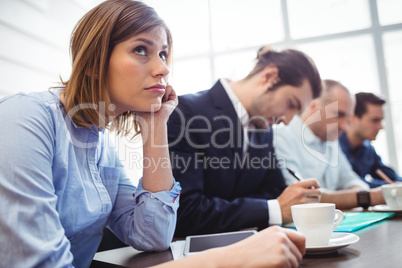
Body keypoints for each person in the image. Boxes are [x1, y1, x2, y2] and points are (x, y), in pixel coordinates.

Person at [0, 1, 308, 267]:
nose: (162, 68)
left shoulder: (101, 147)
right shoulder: (25, 119)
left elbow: (153, 235)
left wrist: (155, 125)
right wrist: (225, 260)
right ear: (95, 60)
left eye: (162, 54)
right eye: (140, 50)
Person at [167, 46, 322, 237]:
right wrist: (272, 209)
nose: (287, 120)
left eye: (296, 112)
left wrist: (247, 207)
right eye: (291, 104)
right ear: (270, 76)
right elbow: (186, 211)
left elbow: (275, 192)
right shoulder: (186, 113)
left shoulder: (263, 127)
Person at [274, 79, 386, 210]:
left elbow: (350, 180)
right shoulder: (282, 138)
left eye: (348, 118)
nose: (344, 126)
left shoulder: (330, 139)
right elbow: (303, 197)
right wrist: (369, 197)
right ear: (313, 107)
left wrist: (361, 194)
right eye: (339, 115)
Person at [339, 92, 402, 188]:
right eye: (375, 120)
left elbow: (390, 175)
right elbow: (349, 183)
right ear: (352, 118)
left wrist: (397, 184)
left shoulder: (368, 149)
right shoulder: (333, 147)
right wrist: (392, 187)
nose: (381, 127)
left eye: (381, 121)